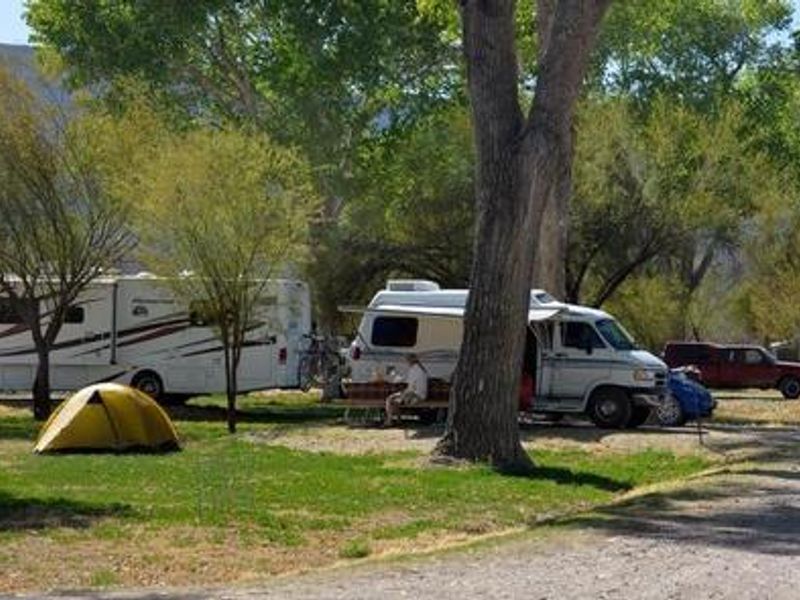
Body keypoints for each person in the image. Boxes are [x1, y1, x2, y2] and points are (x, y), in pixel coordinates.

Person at [384, 353, 428, 426]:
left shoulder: (415, 370)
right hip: (420, 394)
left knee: (391, 400)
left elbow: (411, 388)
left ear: (410, 361)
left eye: (407, 360)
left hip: (417, 396)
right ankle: (397, 421)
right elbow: (411, 384)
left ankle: (390, 421)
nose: (406, 362)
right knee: (393, 399)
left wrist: (402, 393)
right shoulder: (419, 369)